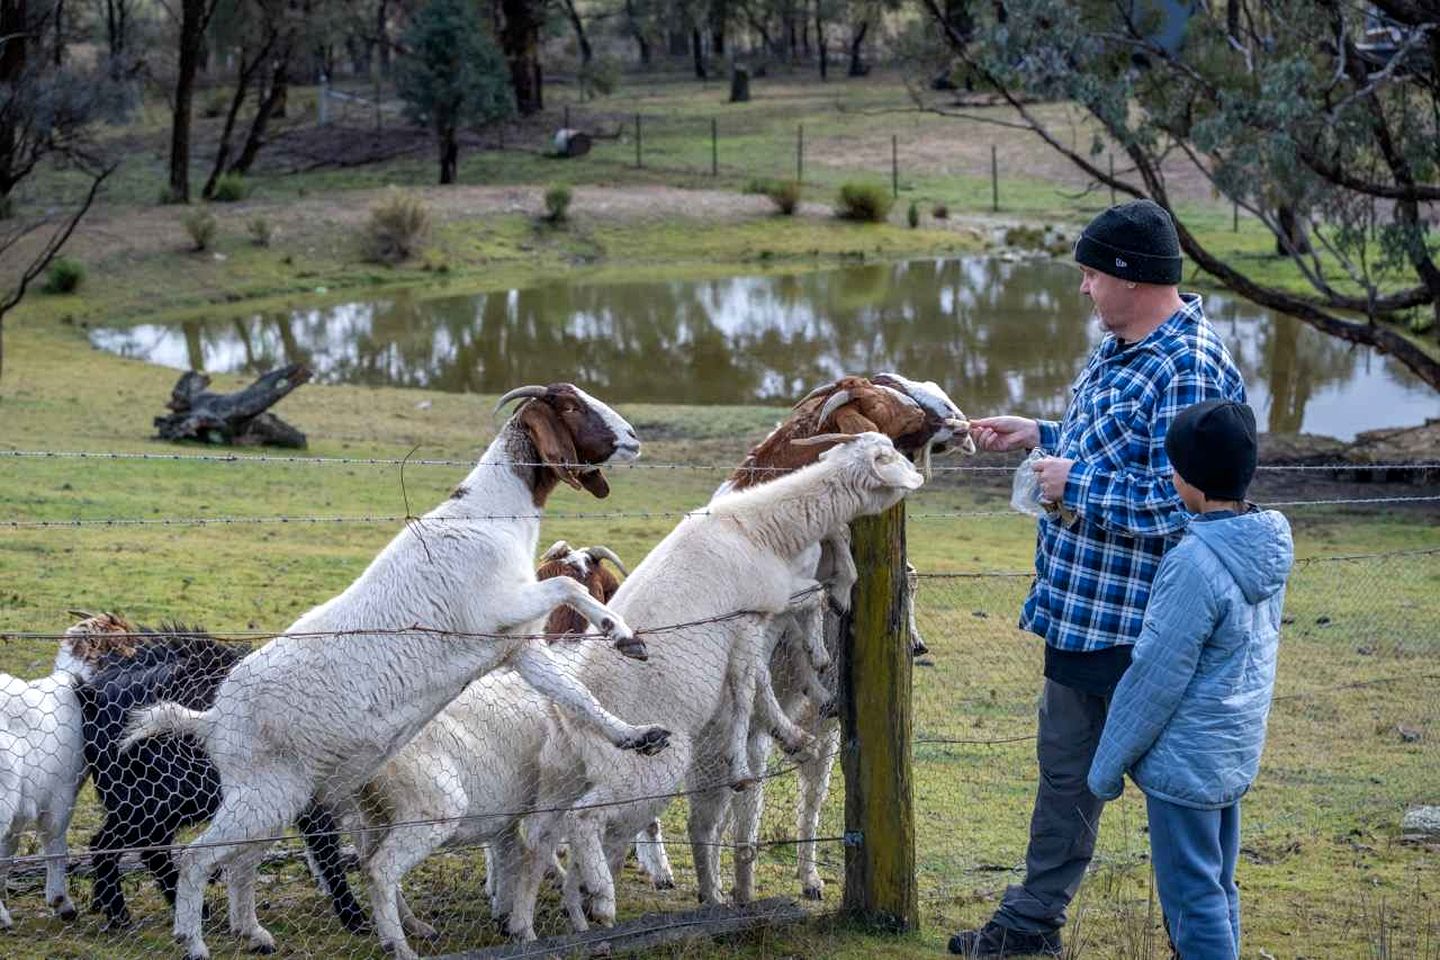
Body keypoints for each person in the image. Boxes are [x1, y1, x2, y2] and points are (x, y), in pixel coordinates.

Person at [948, 199, 1246, 958]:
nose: (1084, 290)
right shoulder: (1119, 346)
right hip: (1081, 614)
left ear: (1130, 276)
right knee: (1064, 778)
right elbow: (1119, 448)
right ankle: (1031, 927)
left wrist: (1072, 483)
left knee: (1180, 803)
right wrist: (1043, 436)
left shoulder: (1190, 364)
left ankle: (1204, 944)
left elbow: (1185, 505)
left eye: (1089, 274)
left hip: (1149, 632)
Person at [1087, 399, 1293, 960]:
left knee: (1191, 895)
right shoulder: (1264, 545)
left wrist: (1106, 767)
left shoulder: (1193, 563)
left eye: (1174, 467)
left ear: (1192, 483)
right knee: (1217, 883)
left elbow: (1156, 674)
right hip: (1229, 748)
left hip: (1186, 758)